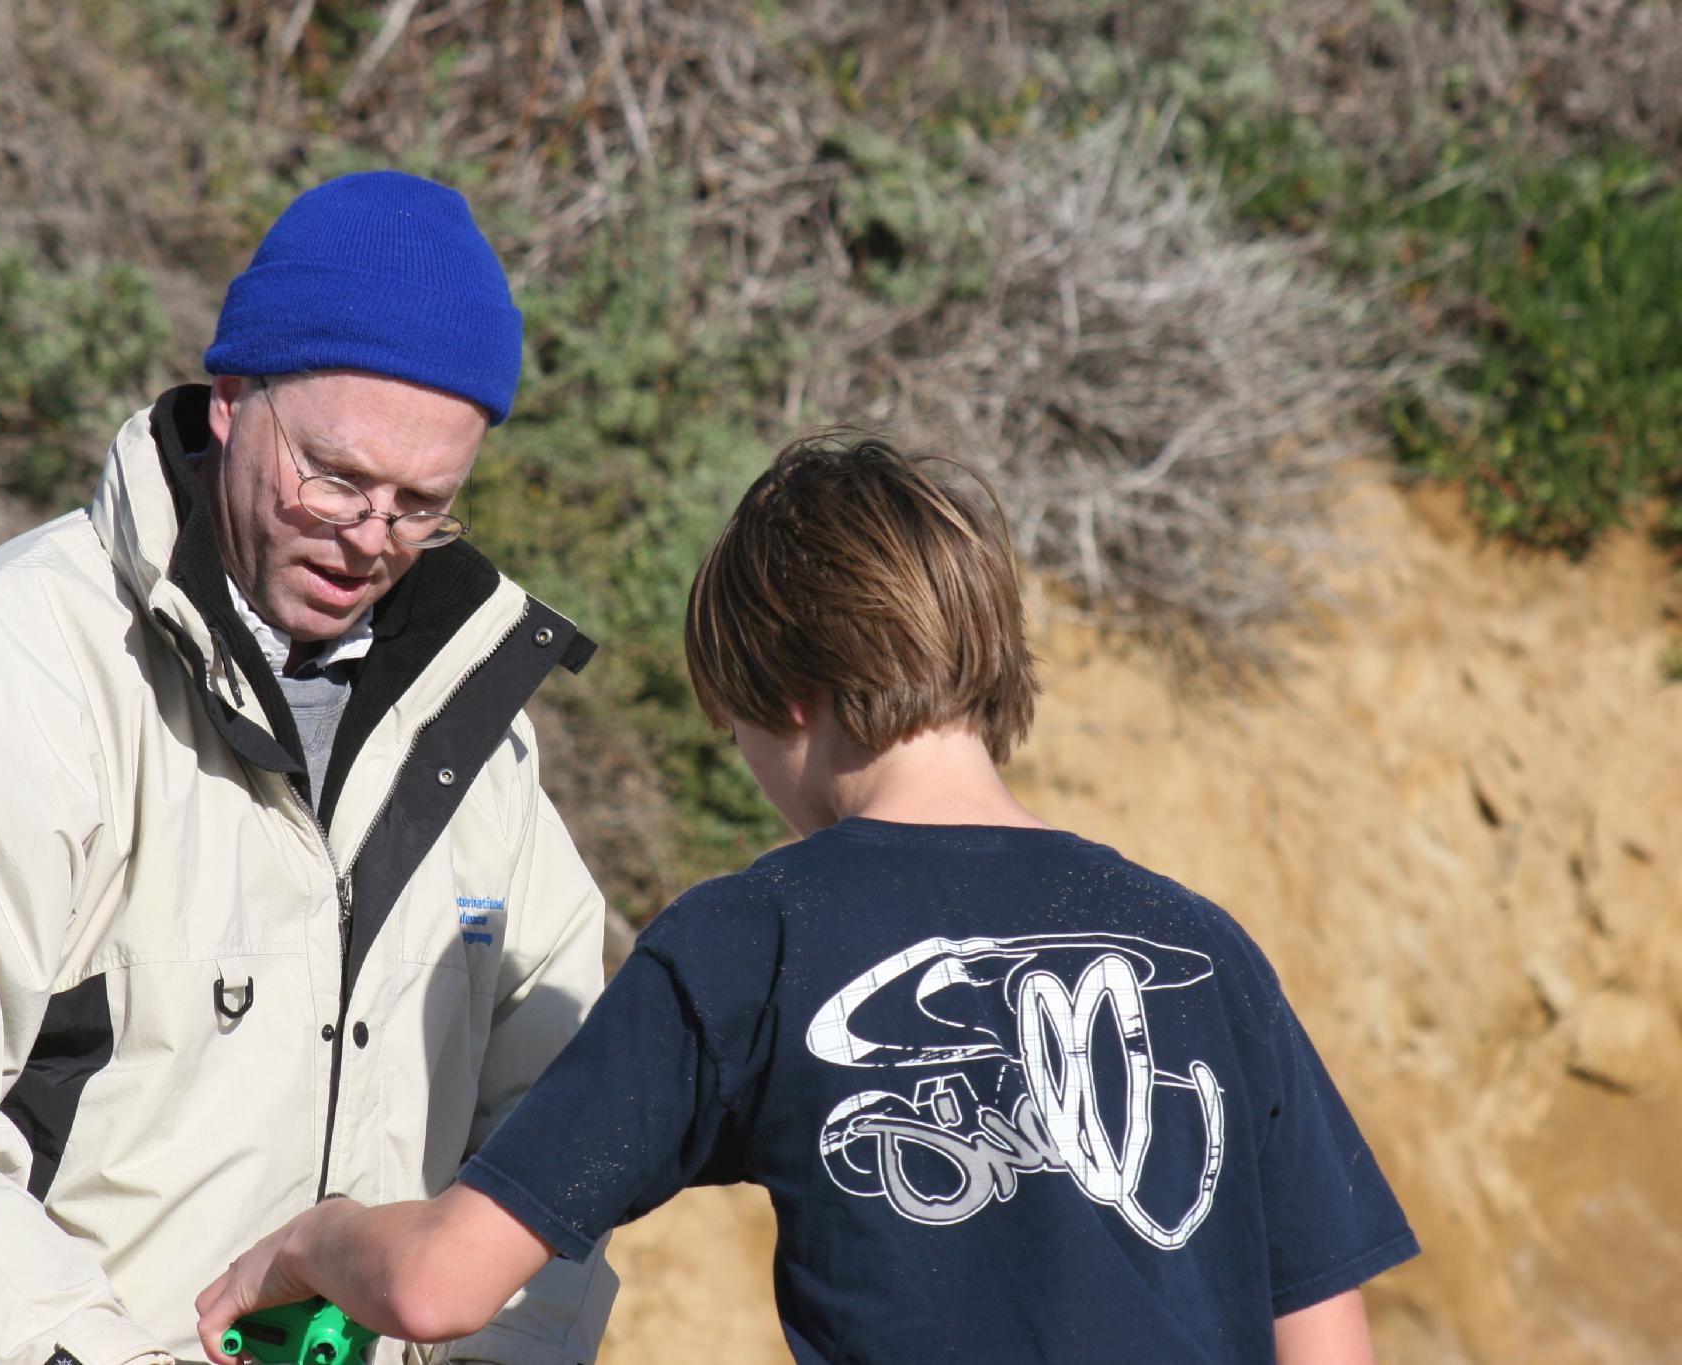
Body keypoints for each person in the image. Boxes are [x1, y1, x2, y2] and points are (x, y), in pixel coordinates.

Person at [194, 433, 1422, 1364]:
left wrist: (311, 1239)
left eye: (729, 725)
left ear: (785, 693)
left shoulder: (756, 938)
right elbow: (1326, 1340)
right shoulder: (1201, 948)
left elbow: (438, 1287)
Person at [0, 171, 617, 1365]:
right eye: (333, 476)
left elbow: (560, 1145)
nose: (368, 537)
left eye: (423, 504)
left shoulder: (483, 740)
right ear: (231, 399)